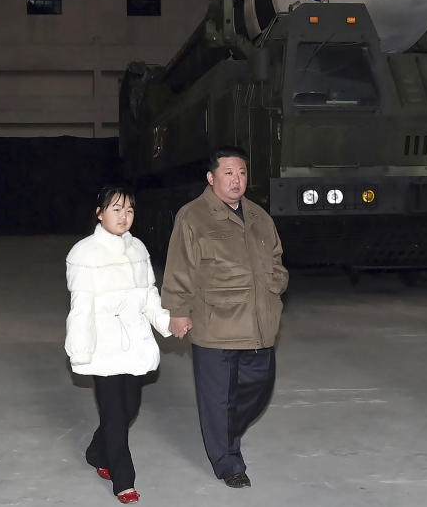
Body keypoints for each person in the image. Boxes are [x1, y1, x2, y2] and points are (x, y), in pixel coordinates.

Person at [161, 146, 289, 489]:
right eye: (229, 173)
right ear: (211, 177)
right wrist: (177, 311)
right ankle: (228, 462)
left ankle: (223, 431)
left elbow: (276, 256)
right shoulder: (193, 216)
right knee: (217, 398)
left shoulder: (260, 216)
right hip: (215, 322)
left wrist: (277, 281)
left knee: (258, 389)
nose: (237, 180)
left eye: (242, 173)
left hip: (260, 323)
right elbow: (179, 267)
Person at [65, 186, 171, 504]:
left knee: (130, 409)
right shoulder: (84, 254)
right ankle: (123, 480)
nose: (124, 216)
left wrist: (166, 322)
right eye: (116, 209)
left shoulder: (138, 248)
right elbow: (80, 308)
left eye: (129, 210)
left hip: (134, 341)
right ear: (99, 213)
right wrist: (80, 348)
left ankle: (97, 452)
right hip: (104, 343)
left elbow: (149, 294)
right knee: (114, 414)